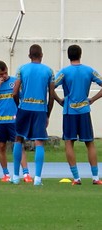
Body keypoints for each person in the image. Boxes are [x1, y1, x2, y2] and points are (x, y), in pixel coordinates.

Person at [54, 44, 102, 185]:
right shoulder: (89, 71)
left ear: (68, 56)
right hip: (84, 111)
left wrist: (59, 100)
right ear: (80, 54)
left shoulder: (64, 72)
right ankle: (95, 178)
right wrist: (92, 99)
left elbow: (51, 86)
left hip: (69, 112)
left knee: (69, 142)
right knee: (90, 143)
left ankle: (76, 178)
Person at [11, 44, 54, 186]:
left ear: (29, 56)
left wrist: (19, 106)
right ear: (42, 55)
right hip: (40, 109)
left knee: (18, 139)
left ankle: (16, 176)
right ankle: (37, 179)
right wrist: (48, 113)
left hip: (24, 107)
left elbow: (15, 92)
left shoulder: (21, 69)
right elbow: (52, 95)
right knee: (39, 141)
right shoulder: (48, 71)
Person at [0, 61, 32, 183]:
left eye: (5, 72)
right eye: (1, 74)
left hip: (14, 120)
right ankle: (6, 174)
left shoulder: (14, 82)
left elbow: (22, 97)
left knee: (18, 146)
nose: (4, 75)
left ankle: (26, 173)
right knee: (1, 146)